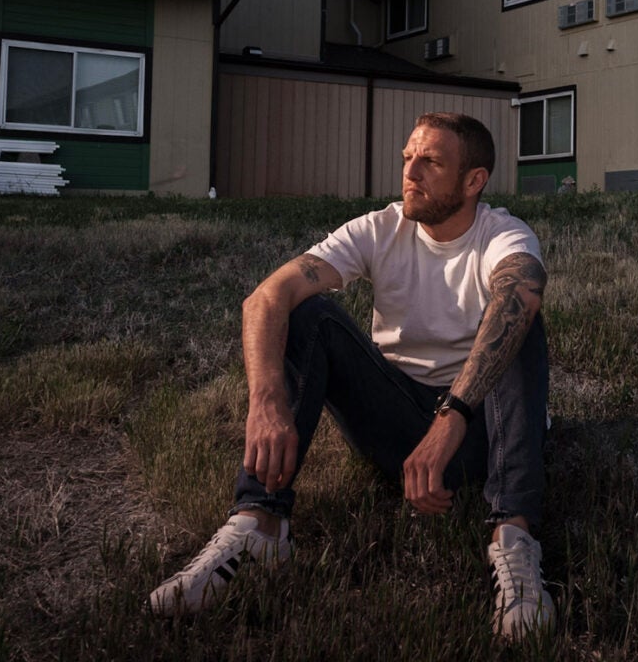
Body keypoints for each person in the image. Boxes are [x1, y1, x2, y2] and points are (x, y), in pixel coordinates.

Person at [148, 112, 553, 639]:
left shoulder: (502, 235)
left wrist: (452, 418)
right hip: (399, 423)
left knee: (519, 315)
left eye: (430, 162)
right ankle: (259, 525)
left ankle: (514, 539)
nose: (411, 172)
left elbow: (522, 286)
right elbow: (266, 297)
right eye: (408, 157)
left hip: (484, 433)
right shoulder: (380, 228)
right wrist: (266, 399)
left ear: (474, 180)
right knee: (305, 313)